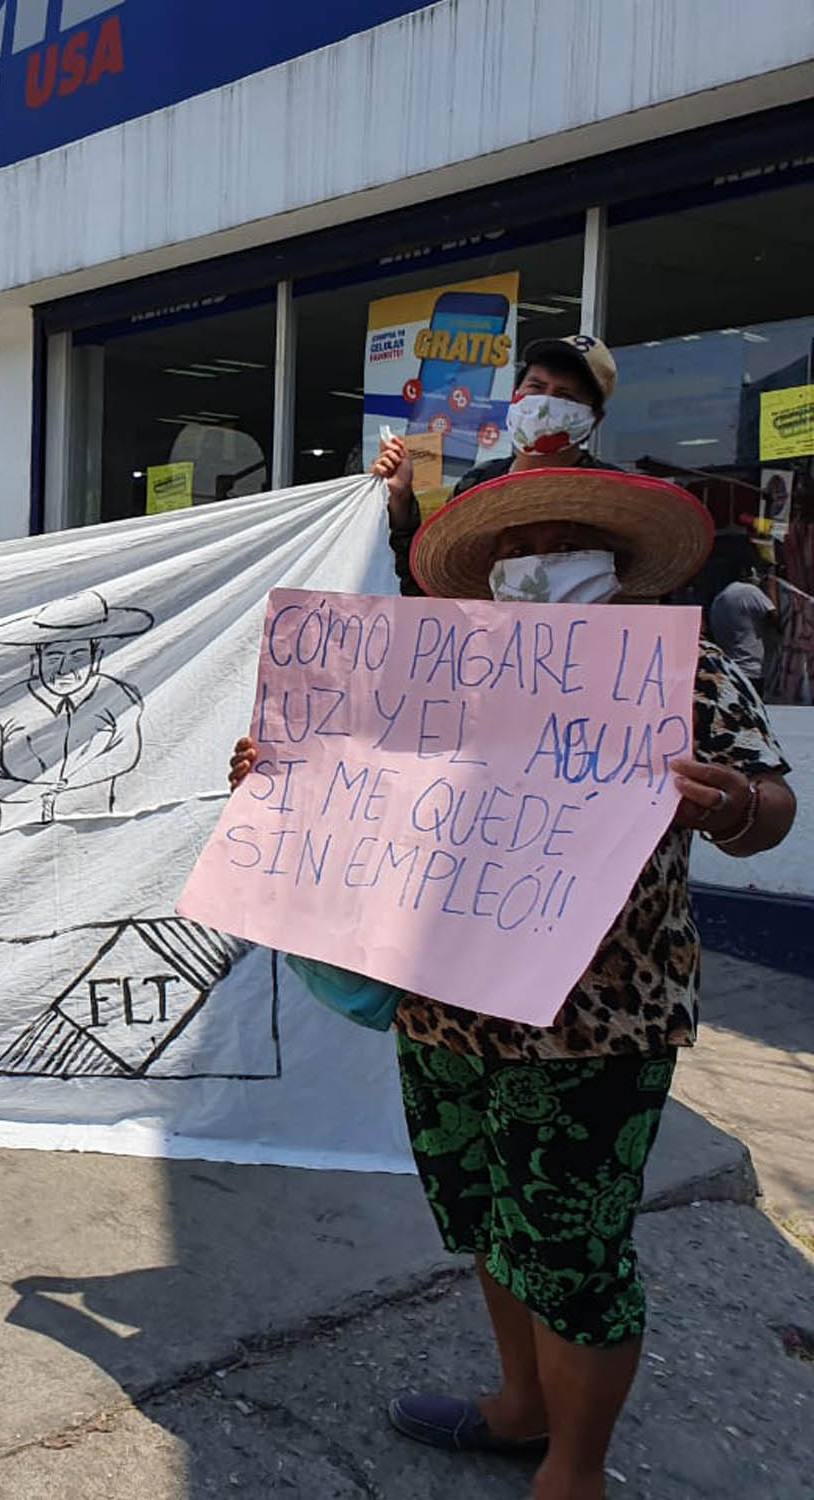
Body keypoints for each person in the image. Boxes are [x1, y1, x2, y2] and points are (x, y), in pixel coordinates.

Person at [228, 468, 796, 1500]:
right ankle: (518, 1407)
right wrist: (280, 777)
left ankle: (572, 1472)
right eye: (514, 541)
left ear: (615, 560)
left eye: (563, 534)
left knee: (573, 1252)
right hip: (443, 1005)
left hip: (595, 1025)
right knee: (488, 1218)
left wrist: (726, 807)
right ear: (486, 570)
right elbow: (361, 786)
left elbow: (769, 808)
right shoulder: (433, 680)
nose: (535, 552)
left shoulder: (682, 670)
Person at [373, 334, 622, 595]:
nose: (544, 403)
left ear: (594, 419)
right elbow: (430, 588)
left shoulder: (614, 494)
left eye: (565, 396)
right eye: (536, 387)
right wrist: (400, 500)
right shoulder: (478, 484)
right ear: (516, 395)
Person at [0, 591, 152, 828]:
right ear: (36, 660)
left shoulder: (118, 695)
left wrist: (70, 785)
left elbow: (125, 753)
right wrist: (37, 793)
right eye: (53, 657)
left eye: (78, 657)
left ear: (97, 657)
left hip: (93, 830)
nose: (63, 669)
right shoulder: (3, 708)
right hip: (16, 833)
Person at [708, 538, 780, 689]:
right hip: (752, 670)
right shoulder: (749, 592)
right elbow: (776, 619)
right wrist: (771, 586)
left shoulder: (720, 598)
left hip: (732, 669)